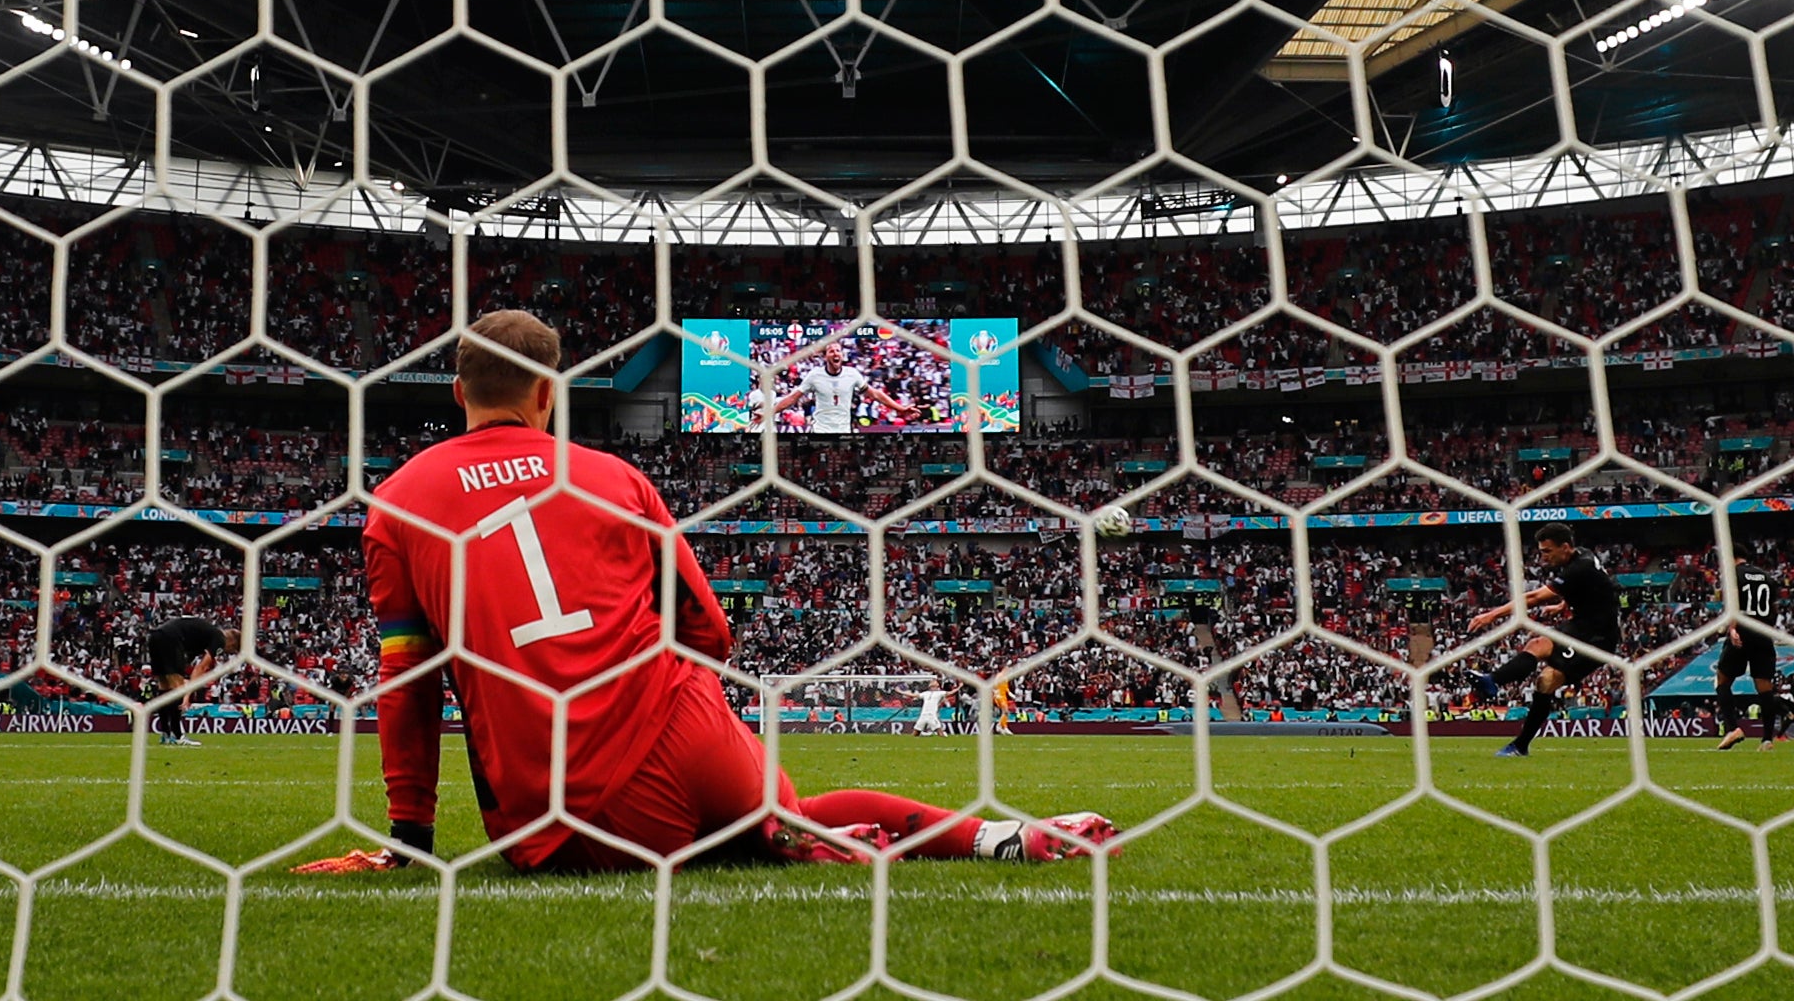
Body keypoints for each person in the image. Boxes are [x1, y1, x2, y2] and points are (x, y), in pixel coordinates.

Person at [294, 310, 1112, 875]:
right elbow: (708, 629)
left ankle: (774, 834)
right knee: (786, 809)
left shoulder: (399, 501)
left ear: (457, 394)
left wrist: (411, 838)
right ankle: (992, 837)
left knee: (729, 835)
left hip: (561, 812)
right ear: (549, 392)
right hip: (685, 733)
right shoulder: (614, 478)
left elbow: (408, 685)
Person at [1467, 523, 1621, 758]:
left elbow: (1534, 597)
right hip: (1581, 626)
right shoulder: (1582, 556)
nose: (1542, 557)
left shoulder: (1578, 568)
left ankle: (1499, 695)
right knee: (1540, 658)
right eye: (1541, 551)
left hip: (1598, 639)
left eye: (1547, 551)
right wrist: (1562, 605)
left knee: (1547, 678)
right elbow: (1598, 590)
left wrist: (1491, 615)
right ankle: (1494, 687)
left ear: (1566, 547)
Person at [765, 342, 922, 434]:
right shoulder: (814, 375)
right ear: (826, 356)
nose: (836, 353)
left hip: (844, 431)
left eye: (838, 351)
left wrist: (900, 409)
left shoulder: (852, 374)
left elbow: (875, 395)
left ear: (842, 355)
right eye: (831, 351)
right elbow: (793, 398)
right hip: (821, 431)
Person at [1713, 555, 1781, 752]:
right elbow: (1773, 608)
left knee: (1722, 680)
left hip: (1743, 629)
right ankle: (1767, 740)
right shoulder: (1766, 576)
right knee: (1765, 687)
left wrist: (1732, 628)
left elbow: (1734, 601)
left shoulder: (1734, 574)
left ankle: (1733, 728)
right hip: (1763, 632)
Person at [145, 616, 241, 748]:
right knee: (176, 687)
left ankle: (166, 734)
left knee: (164, 685)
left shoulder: (203, 636)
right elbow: (201, 668)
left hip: (155, 636)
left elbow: (188, 665)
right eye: (233, 650)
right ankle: (178, 736)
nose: (227, 652)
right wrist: (186, 695)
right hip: (171, 639)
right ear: (232, 643)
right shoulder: (220, 639)